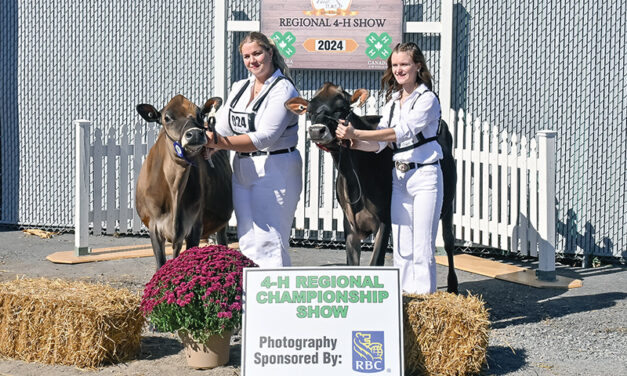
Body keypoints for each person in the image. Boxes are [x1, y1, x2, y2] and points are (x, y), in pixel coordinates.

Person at [335, 42, 443, 294]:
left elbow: (402, 131)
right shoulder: (392, 102)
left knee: (422, 244)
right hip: (400, 175)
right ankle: (405, 298)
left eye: (404, 64)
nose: (399, 70)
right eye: (395, 65)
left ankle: (424, 301)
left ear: (418, 65)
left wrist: (357, 131)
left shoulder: (427, 99)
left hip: (425, 174)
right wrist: (351, 142)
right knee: (403, 245)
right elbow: (380, 144)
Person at [204, 32, 302, 268]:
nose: (252, 61)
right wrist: (209, 143)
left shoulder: (284, 89)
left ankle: (278, 299)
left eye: (257, 53)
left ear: (270, 52)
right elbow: (224, 127)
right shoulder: (240, 86)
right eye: (247, 56)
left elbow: (265, 137)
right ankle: (254, 299)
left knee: (271, 241)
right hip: (243, 166)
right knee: (248, 238)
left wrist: (216, 142)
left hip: (276, 167)